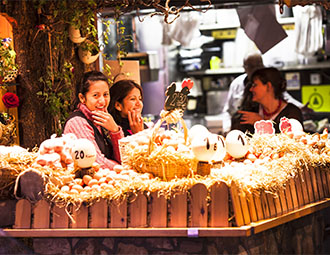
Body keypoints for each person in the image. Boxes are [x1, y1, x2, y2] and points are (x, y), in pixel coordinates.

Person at [63, 71, 124, 169]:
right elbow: (96, 163)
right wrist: (125, 170)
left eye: (105, 94)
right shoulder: (77, 123)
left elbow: (123, 159)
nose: (102, 101)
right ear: (82, 98)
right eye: (95, 95)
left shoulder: (102, 119)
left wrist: (115, 130)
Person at [238, 67, 303, 133]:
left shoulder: (292, 112)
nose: (251, 89)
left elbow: (292, 137)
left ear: (268, 86)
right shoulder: (252, 110)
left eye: (255, 85)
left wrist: (262, 124)